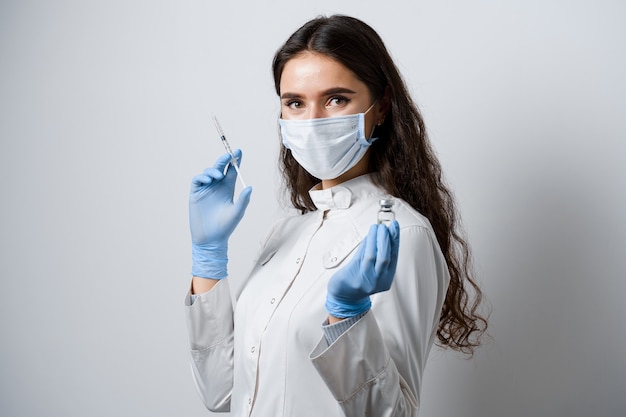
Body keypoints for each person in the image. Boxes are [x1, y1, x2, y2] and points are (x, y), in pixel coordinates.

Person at [185, 14, 487, 416]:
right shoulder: (286, 233)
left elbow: (392, 413)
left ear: (380, 108)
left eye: (336, 99)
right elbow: (221, 392)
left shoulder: (401, 234)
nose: (311, 122)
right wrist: (208, 256)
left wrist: (347, 316)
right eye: (295, 103)